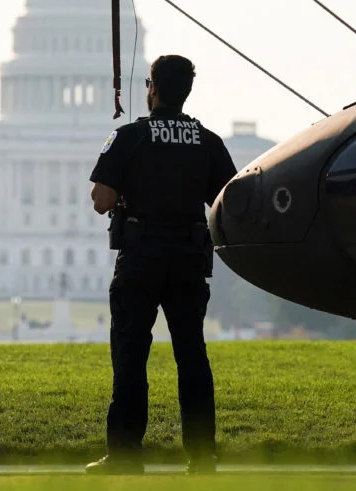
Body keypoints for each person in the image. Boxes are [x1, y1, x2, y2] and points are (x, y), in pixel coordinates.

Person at [85, 55, 238, 475]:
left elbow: (102, 200)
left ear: (151, 87)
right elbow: (227, 200)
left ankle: (126, 456)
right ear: (187, 90)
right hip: (189, 260)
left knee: (131, 357)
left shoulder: (130, 137)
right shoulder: (207, 141)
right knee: (192, 356)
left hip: (140, 259)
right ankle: (202, 456)